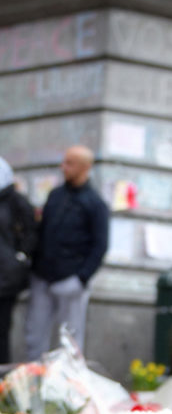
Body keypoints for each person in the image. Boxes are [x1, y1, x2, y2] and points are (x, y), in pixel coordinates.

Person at [25, 146, 109, 359]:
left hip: (71, 280)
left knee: (70, 342)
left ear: (85, 167)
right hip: (42, 277)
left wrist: (81, 278)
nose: (64, 167)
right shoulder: (55, 195)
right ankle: (33, 383)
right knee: (34, 337)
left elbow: (100, 245)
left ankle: (67, 387)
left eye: (70, 163)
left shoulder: (95, 203)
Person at [0, 158, 36, 364]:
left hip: (6, 278)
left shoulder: (16, 202)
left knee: (2, 330)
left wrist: (20, 258)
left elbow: (31, 233)